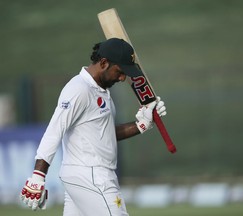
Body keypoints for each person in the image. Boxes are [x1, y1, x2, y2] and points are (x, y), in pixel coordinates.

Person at [20, 38, 167, 216]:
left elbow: (104, 133)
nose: (122, 78)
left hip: (89, 175)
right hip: (90, 175)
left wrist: (142, 124)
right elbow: (54, 130)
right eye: (120, 71)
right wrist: (38, 175)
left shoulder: (101, 90)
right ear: (104, 63)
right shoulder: (79, 89)